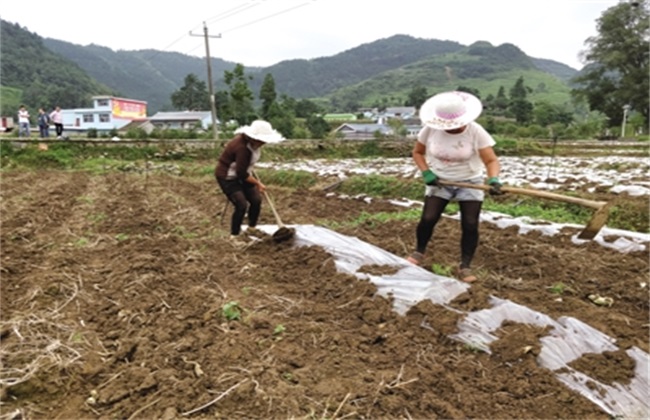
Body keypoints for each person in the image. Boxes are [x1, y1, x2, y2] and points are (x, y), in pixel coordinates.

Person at [406, 91, 503, 283]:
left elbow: (491, 160)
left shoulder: (476, 132)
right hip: (440, 180)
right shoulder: (430, 129)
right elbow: (417, 152)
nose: (453, 128)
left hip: (469, 180)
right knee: (428, 218)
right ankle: (419, 253)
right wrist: (426, 172)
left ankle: (465, 266)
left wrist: (494, 179)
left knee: (469, 223)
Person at [215, 120, 285, 244]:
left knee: (256, 200)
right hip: (228, 177)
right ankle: (234, 236)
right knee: (241, 204)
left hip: (244, 174)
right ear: (253, 138)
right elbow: (241, 173)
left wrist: (250, 171)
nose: (264, 142)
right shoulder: (242, 148)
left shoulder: (253, 145)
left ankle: (251, 228)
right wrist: (258, 183)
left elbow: (244, 168)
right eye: (262, 140)